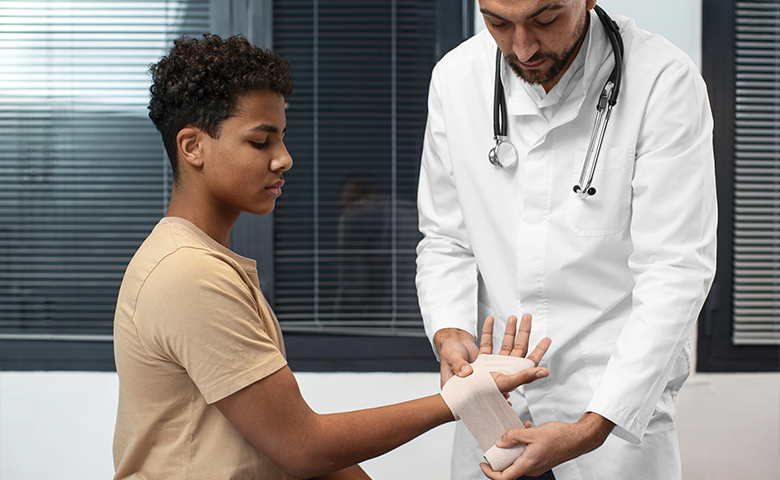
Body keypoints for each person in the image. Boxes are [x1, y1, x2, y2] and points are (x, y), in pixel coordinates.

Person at [111, 33, 551, 480]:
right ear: (192, 147)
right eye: (261, 142)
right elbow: (302, 447)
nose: (284, 158)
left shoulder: (208, 263)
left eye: (282, 138)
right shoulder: (188, 275)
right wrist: (463, 397)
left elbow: (283, 442)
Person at [415, 1, 717, 480]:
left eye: (545, 19)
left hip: (610, 380)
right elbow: (446, 238)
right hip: (496, 377)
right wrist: (450, 332)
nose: (523, 46)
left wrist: (594, 426)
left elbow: (675, 269)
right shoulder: (456, 78)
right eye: (497, 22)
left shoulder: (663, 79)